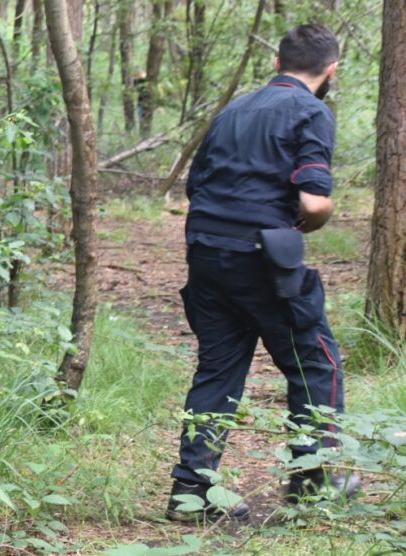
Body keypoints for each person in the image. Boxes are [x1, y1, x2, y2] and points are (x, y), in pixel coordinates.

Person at [168, 23, 358, 523]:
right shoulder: (312, 112)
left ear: (277, 63)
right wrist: (309, 220)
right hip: (261, 260)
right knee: (316, 362)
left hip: (205, 252)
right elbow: (314, 201)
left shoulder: (232, 110)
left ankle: (191, 492)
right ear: (331, 70)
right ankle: (314, 483)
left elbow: (196, 187)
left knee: (218, 368)